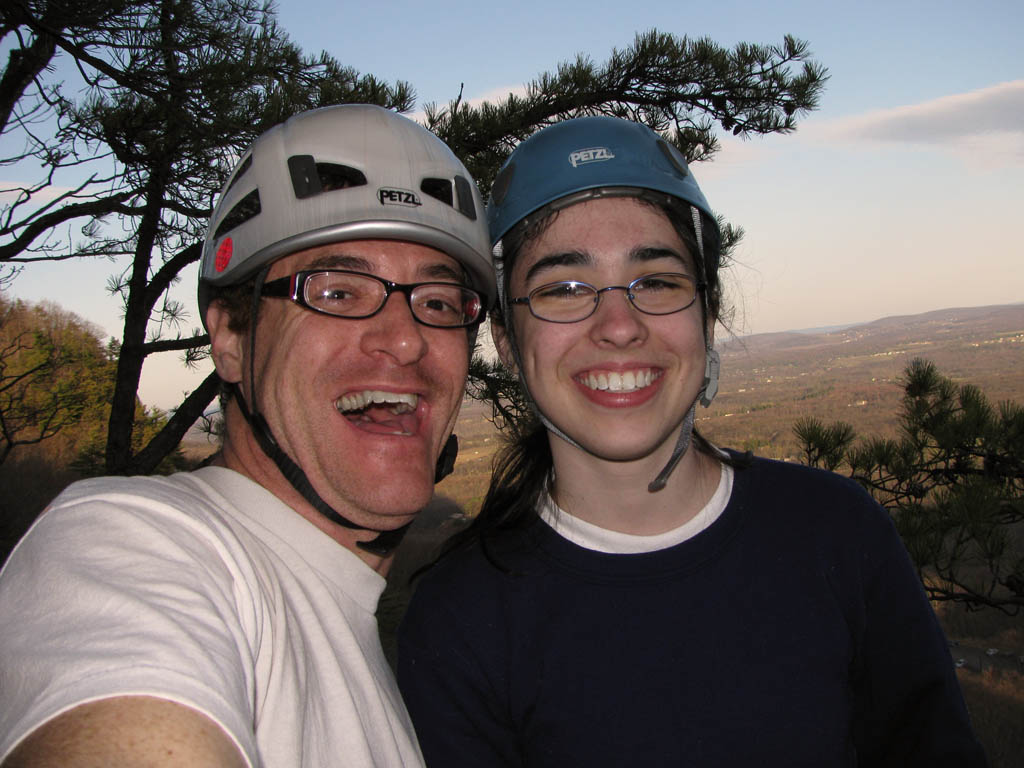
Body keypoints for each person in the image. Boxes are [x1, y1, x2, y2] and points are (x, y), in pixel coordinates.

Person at [397, 115, 987, 766]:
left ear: (706, 315)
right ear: (507, 339)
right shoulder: (462, 625)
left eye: (657, 281)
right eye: (563, 288)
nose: (619, 325)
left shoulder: (839, 537)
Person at [0, 104, 494, 767]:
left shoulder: (364, 642)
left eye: (437, 302)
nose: (406, 338)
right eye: (337, 292)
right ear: (230, 339)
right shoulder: (132, 546)